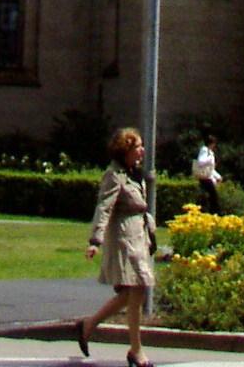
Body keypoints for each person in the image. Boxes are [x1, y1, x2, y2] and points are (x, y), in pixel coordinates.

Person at [76, 126, 156, 367]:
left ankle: (88, 325)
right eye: (138, 146)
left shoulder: (133, 173)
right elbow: (104, 208)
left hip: (139, 237)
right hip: (125, 240)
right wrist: (95, 241)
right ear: (125, 150)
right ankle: (136, 350)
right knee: (138, 290)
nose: (142, 150)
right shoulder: (114, 175)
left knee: (130, 295)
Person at [192, 135, 220, 213]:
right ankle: (214, 212)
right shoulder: (204, 150)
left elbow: (211, 169)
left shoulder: (210, 152)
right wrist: (209, 159)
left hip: (208, 176)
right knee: (213, 195)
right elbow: (201, 162)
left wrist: (217, 176)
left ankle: (207, 210)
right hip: (204, 177)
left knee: (209, 195)